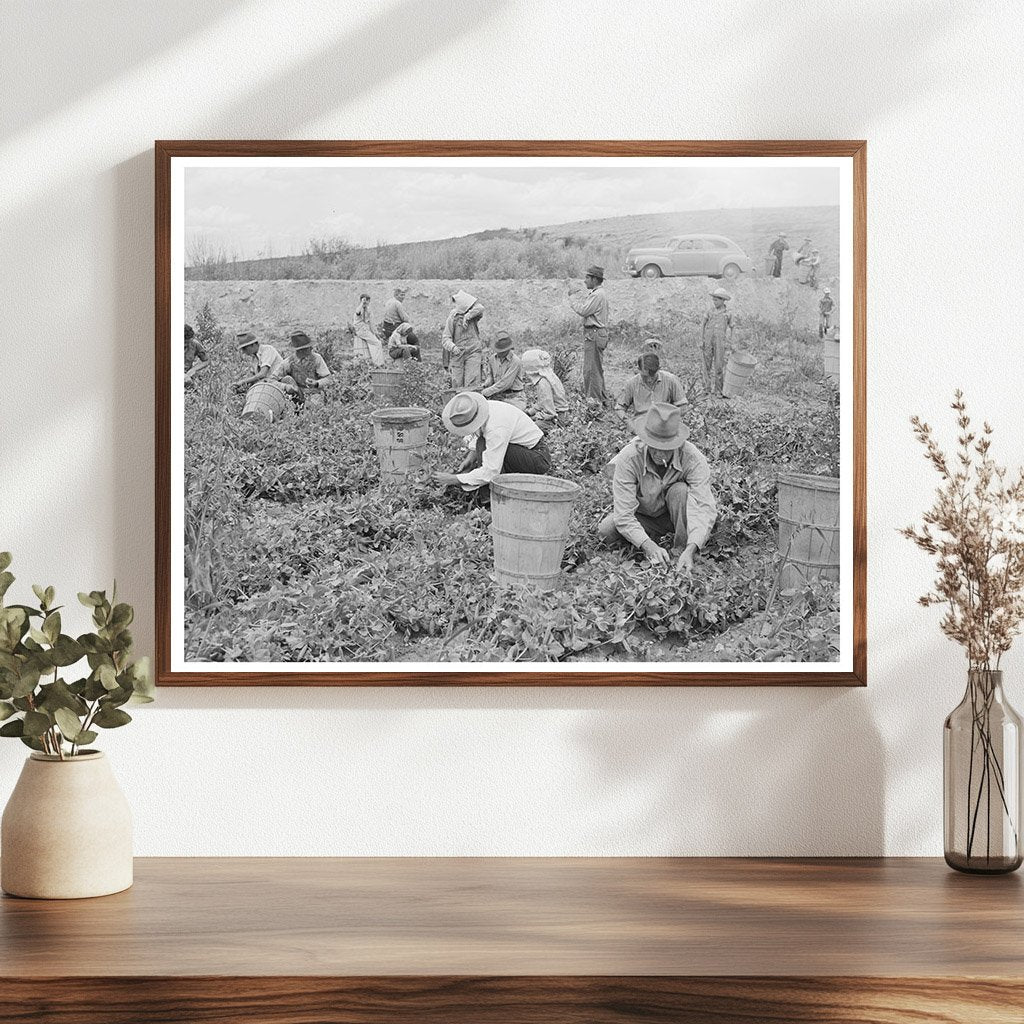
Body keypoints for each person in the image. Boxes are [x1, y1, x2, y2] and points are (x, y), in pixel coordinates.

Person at [598, 403, 717, 572]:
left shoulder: (692, 458)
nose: (659, 453)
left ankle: (680, 552)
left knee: (680, 491)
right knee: (606, 530)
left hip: (676, 518)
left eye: (666, 448)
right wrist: (649, 546)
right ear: (645, 439)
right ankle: (649, 542)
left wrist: (691, 548)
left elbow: (704, 507)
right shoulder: (629, 458)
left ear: (677, 443)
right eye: (654, 446)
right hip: (643, 516)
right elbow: (624, 515)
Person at [434, 391, 552, 494]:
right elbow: (480, 435)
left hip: (538, 458)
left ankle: (496, 496)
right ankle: (488, 493)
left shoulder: (497, 428)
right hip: (521, 449)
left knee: (486, 452)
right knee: (481, 443)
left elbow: (491, 471)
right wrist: (470, 459)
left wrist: (454, 479)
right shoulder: (481, 409)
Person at [567, 264, 610, 409]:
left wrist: (572, 297)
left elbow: (584, 310)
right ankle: (602, 399)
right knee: (595, 368)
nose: (585, 281)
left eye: (587, 277)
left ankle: (594, 404)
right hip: (596, 334)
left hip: (594, 334)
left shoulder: (598, 294)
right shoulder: (598, 294)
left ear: (594, 279)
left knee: (591, 371)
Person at [615, 352, 686, 423]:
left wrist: (669, 418)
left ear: (659, 369)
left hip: (666, 424)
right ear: (638, 369)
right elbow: (619, 408)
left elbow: (683, 407)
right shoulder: (631, 383)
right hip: (641, 425)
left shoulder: (671, 380)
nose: (649, 380)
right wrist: (629, 422)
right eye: (645, 376)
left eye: (653, 376)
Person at [274, 330, 332, 404]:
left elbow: (329, 379)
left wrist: (316, 383)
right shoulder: (288, 362)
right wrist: (285, 386)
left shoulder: (317, 358)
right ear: (300, 350)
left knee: (313, 406)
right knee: (287, 379)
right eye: (308, 347)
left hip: (314, 395)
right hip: (295, 396)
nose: (311, 349)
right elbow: (271, 380)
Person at [442, 289, 485, 389]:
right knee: (457, 384)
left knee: (472, 382)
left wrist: (467, 316)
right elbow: (445, 338)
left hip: (473, 352)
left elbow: (480, 308)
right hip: (458, 354)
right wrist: (453, 347)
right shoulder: (453, 317)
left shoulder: (473, 315)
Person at [521, 348, 569, 431]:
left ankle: (556, 430)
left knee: (528, 427)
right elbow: (542, 403)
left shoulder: (543, 383)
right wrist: (530, 412)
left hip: (557, 419)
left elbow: (549, 413)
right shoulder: (549, 375)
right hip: (561, 415)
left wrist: (534, 417)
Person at [701, 288, 734, 397]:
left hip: (720, 342)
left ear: (722, 300)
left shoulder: (727, 314)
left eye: (716, 300)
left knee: (719, 365)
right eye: (713, 300)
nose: (714, 302)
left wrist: (732, 342)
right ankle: (706, 388)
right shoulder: (710, 311)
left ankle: (718, 390)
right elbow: (703, 325)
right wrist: (702, 340)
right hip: (708, 340)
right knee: (706, 364)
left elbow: (733, 328)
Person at [481, 331, 525, 408]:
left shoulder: (515, 361)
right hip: (497, 396)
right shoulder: (492, 359)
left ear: (508, 349)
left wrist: (487, 391)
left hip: (514, 397)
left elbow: (505, 383)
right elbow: (490, 375)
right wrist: (487, 383)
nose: (499, 353)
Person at [349, 295, 385, 366]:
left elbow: (371, 323)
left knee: (377, 342)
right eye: (366, 301)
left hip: (366, 330)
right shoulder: (359, 308)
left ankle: (378, 362)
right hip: (361, 330)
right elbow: (357, 312)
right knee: (377, 344)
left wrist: (376, 333)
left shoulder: (368, 310)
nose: (367, 303)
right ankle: (378, 363)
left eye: (368, 301)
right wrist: (362, 303)